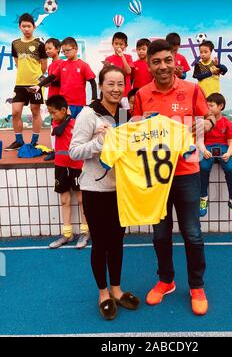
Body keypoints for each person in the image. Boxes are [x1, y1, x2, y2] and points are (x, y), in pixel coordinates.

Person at [133, 39, 216, 316]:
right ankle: (166, 280)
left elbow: (211, 118)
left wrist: (207, 122)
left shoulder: (192, 90)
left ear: (175, 59)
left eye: (167, 60)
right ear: (148, 65)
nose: (163, 66)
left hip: (187, 172)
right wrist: (133, 125)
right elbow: (133, 131)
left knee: (192, 233)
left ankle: (197, 285)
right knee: (160, 234)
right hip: (156, 176)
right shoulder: (142, 94)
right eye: (156, 62)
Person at [69, 65, 140, 321]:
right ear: (101, 86)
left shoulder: (124, 114)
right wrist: (100, 143)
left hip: (120, 189)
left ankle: (118, 289)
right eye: (110, 84)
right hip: (94, 189)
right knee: (100, 244)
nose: (115, 89)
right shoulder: (88, 114)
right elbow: (74, 151)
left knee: (117, 243)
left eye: (120, 84)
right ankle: (103, 293)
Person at [46, 95, 90, 249]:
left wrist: (69, 118)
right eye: (50, 113)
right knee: (64, 200)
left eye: (54, 112)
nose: (52, 116)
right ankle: (67, 234)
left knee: (81, 199)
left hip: (77, 166)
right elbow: (57, 131)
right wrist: (63, 118)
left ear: (64, 110)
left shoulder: (76, 124)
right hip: (60, 165)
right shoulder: (57, 123)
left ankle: (85, 232)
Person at [5, 13, 48, 150]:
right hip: (20, 84)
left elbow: (44, 66)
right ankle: (19, 141)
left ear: (34, 27)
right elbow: (17, 63)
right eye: (23, 26)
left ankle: (34, 141)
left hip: (35, 85)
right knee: (15, 112)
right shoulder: (15, 44)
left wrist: (37, 82)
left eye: (29, 26)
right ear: (20, 27)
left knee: (35, 111)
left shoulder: (40, 45)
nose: (26, 29)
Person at [29, 37, 97, 119]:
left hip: (79, 104)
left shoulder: (83, 65)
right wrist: (39, 85)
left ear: (76, 49)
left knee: (78, 129)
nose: (65, 53)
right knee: (65, 128)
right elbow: (51, 77)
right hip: (64, 104)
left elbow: (93, 82)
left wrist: (94, 98)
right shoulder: (62, 65)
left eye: (67, 50)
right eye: (63, 51)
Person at [199, 92, 232, 218]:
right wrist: (203, 150)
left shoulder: (227, 123)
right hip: (208, 148)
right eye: (207, 106)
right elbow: (199, 140)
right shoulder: (204, 122)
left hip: (223, 148)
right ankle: (203, 199)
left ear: (221, 106)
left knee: (230, 169)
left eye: (211, 106)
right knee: (203, 167)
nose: (208, 109)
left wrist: (228, 153)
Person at [44, 38, 64, 161]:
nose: (47, 51)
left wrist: (49, 82)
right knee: (53, 124)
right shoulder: (50, 65)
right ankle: (55, 150)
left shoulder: (62, 63)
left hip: (60, 99)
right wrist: (46, 83)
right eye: (46, 49)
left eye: (50, 48)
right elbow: (51, 81)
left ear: (58, 49)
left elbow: (62, 82)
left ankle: (62, 151)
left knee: (63, 125)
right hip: (51, 98)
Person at [103, 32, 134, 99]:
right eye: (116, 44)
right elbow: (104, 76)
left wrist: (122, 56)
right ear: (112, 44)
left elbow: (128, 71)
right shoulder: (108, 59)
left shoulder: (128, 57)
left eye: (121, 44)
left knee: (125, 109)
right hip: (112, 93)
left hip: (126, 93)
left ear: (126, 46)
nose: (118, 46)